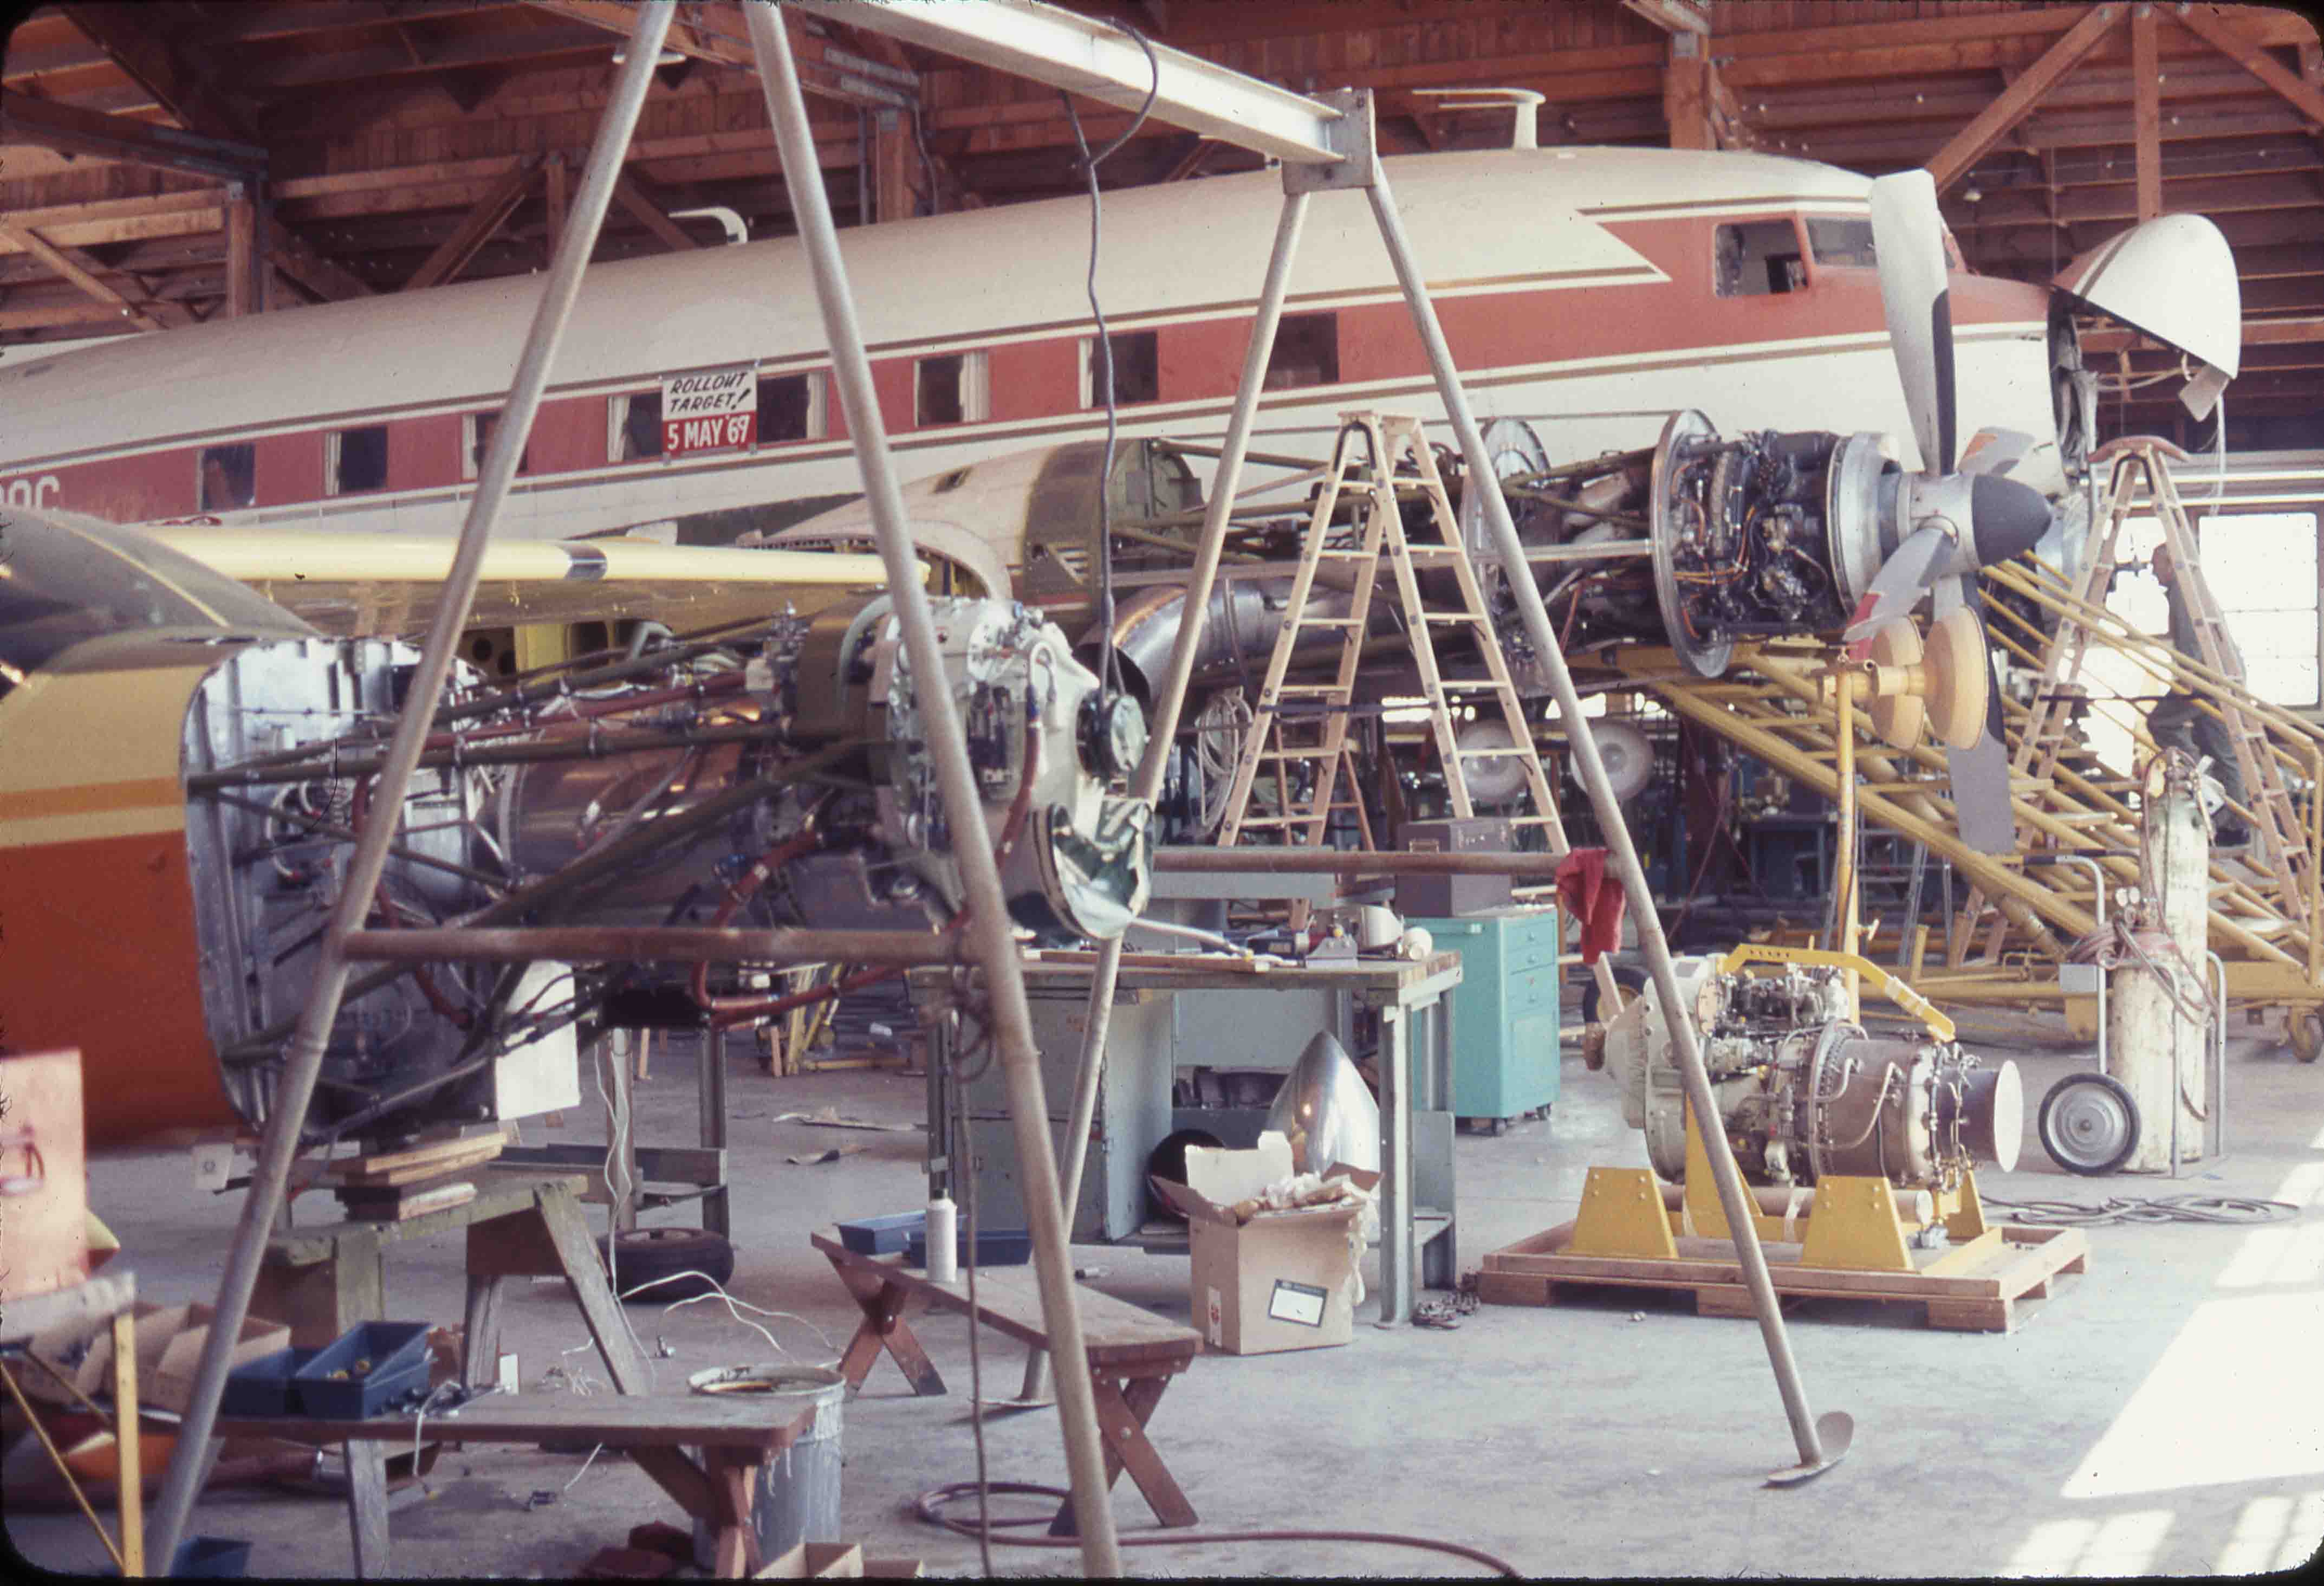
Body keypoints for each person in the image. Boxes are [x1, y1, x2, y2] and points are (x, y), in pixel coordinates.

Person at [2147, 541, 2251, 847]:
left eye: (2155, 565)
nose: (2152, 571)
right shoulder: (2195, 588)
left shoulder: (2183, 592)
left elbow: (2192, 643)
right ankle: (2234, 825)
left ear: (2171, 563)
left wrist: (2186, 683)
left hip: (2205, 678)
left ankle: (2195, 770)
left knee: (2160, 723)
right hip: (2224, 676)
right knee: (2222, 752)